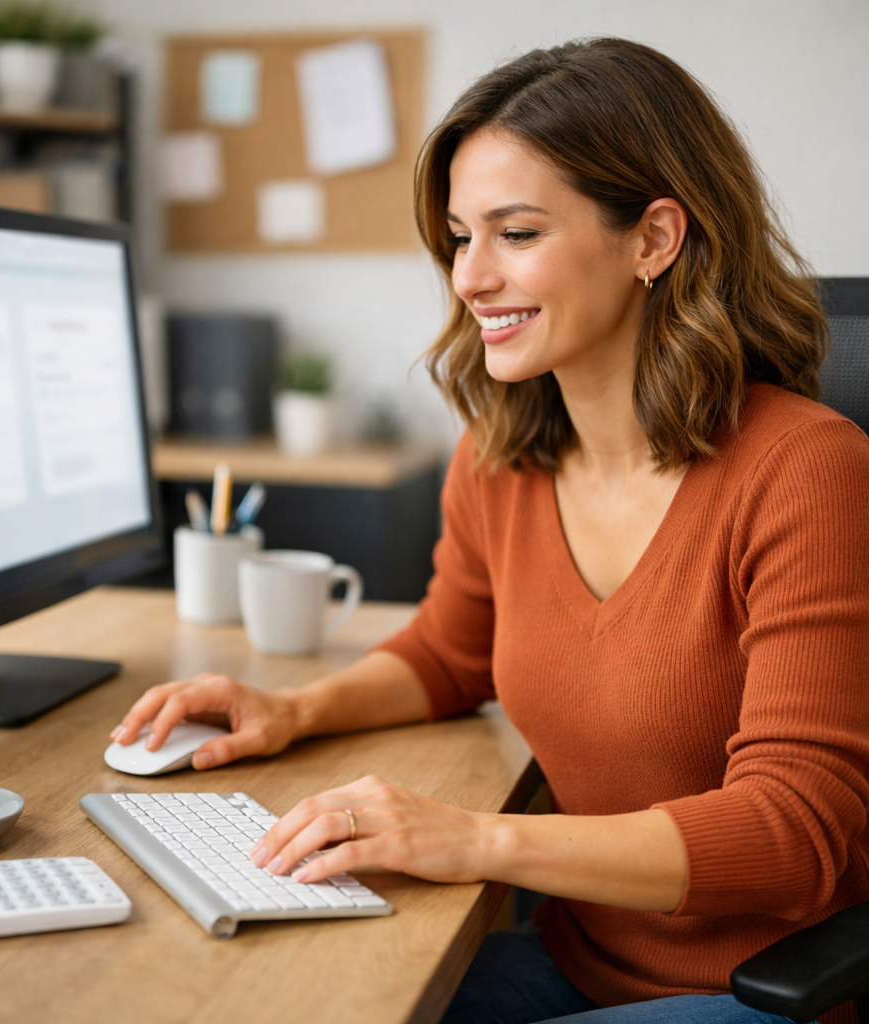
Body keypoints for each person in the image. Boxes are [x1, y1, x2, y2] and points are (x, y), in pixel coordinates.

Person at [112, 38, 869, 1024]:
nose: (469, 278)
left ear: (653, 239)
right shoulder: (499, 453)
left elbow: (792, 833)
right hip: (571, 958)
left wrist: (473, 840)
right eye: (460, 237)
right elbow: (449, 650)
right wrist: (292, 710)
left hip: (754, 991)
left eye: (515, 232)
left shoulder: (804, 469)